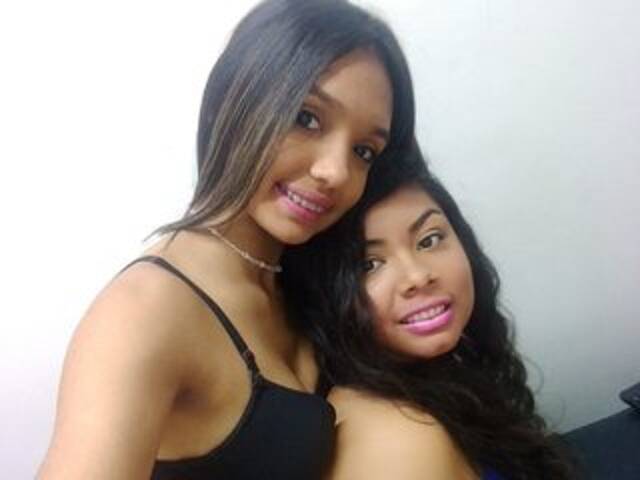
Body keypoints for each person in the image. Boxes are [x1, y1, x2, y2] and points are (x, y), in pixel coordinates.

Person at [37, 1, 416, 478]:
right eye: (306, 118)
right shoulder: (144, 313)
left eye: (364, 150)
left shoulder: (310, 282)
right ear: (232, 101)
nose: (336, 171)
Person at [281, 145, 576, 479]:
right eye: (369, 265)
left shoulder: (440, 368)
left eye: (429, 240)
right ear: (324, 294)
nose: (418, 277)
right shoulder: (398, 441)